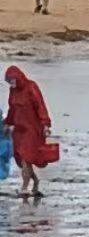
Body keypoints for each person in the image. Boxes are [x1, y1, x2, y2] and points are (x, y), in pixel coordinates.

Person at [4, 66, 55, 199]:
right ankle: (35, 181)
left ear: (19, 77)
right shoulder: (13, 91)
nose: (12, 83)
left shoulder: (31, 87)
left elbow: (40, 106)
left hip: (32, 130)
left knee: (27, 158)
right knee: (21, 160)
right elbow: (12, 109)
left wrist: (45, 125)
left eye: (13, 80)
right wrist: (7, 123)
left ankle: (24, 187)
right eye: (9, 81)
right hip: (19, 131)